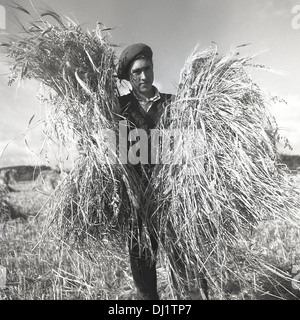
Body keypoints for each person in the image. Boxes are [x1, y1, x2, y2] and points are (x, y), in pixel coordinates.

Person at [116, 43, 173, 300]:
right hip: (137, 204)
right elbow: (113, 155)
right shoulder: (120, 109)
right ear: (129, 77)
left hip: (173, 201)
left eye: (146, 68)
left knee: (186, 270)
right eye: (136, 72)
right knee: (145, 283)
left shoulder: (174, 105)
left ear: (152, 68)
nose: (143, 76)